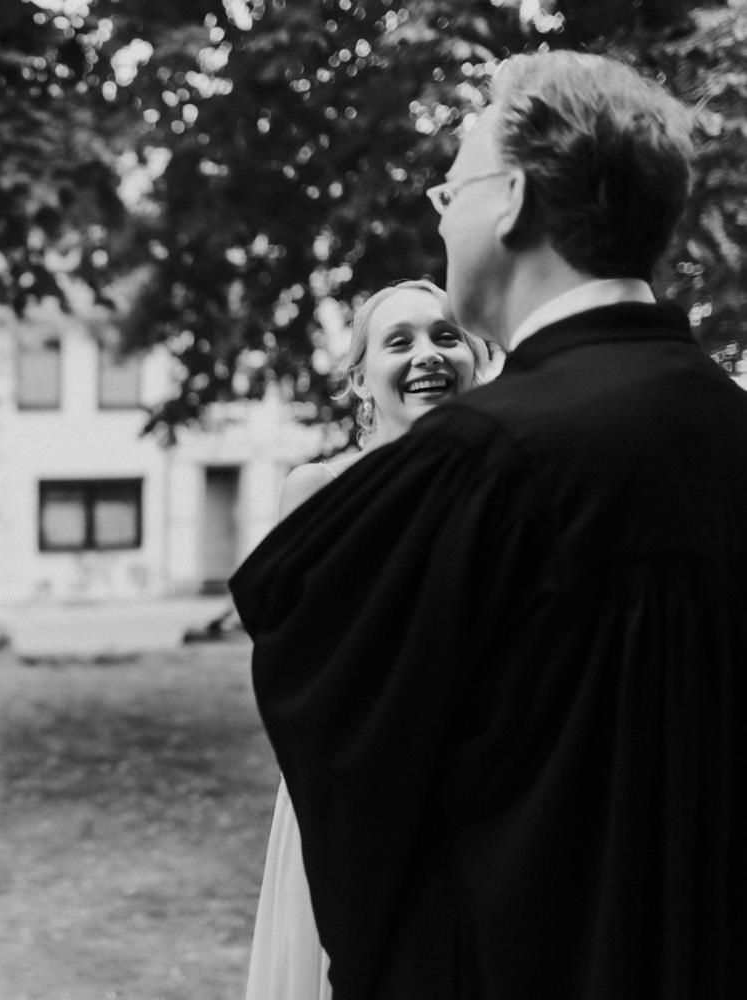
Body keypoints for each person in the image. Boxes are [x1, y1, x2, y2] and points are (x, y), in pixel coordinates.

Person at [230, 50, 747, 1000]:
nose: (443, 216)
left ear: (509, 201)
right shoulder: (733, 428)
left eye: (450, 188)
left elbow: (361, 782)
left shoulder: (470, 467)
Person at [245, 280, 482, 1000]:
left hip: (476, 795)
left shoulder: (507, 487)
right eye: (399, 342)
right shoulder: (318, 490)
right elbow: (294, 673)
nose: (428, 356)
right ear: (359, 379)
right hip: (348, 792)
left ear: (479, 354)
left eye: (447, 336)